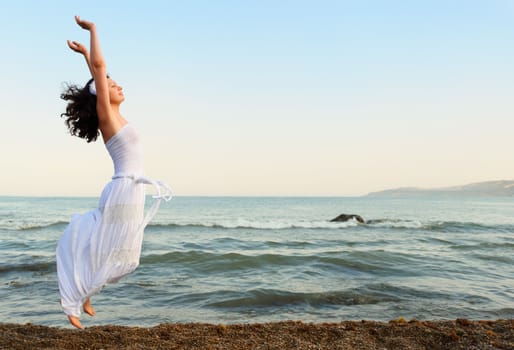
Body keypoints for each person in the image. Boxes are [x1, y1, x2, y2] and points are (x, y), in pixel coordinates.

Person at [56, 16, 172, 329]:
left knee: (122, 256)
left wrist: (86, 60)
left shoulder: (118, 118)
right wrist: (93, 33)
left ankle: (87, 293)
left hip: (132, 189)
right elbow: (100, 67)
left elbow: (98, 72)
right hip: (123, 188)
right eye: (110, 84)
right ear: (101, 99)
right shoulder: (107, 119)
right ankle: (72, 302)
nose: (117, 84)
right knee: (121, 255)